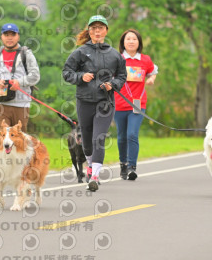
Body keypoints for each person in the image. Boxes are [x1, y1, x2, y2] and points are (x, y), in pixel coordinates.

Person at [63, 15, 127, 192]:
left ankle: (95, 176)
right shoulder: (80, 52)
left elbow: (122, 76)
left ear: (106, 31)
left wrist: (113, 84)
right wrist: (80, 77)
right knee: (87, 140)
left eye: (100, 28)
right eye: (93, 28)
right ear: (89, 31)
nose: (97, 31)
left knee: (99, 138)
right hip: (84, 101)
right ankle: (90, 166)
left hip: (105, 103)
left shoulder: (115, 55)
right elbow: (67, 72)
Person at [113, 29, 158, 181]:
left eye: (134, 39)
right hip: (119, 103)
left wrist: (151, 79)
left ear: (139, 42)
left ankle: (132, 167)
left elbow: (153, 71)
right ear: (123, 42)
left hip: (137, 103)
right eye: (128, 39)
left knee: (132, 134)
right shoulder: (117, 59)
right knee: (121, 136)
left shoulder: (145, 60)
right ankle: (123, 164)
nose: (131, 41)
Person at [0, 22, 40, 132]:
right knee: (1, 137)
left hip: (21, 105)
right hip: (1, 104)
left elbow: (35, 75)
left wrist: (19, 82)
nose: (9, 38)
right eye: (6, 35)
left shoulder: (26, 54)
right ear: (1, 37)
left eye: (13, 35)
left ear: (18, 36)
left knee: (19, 139)